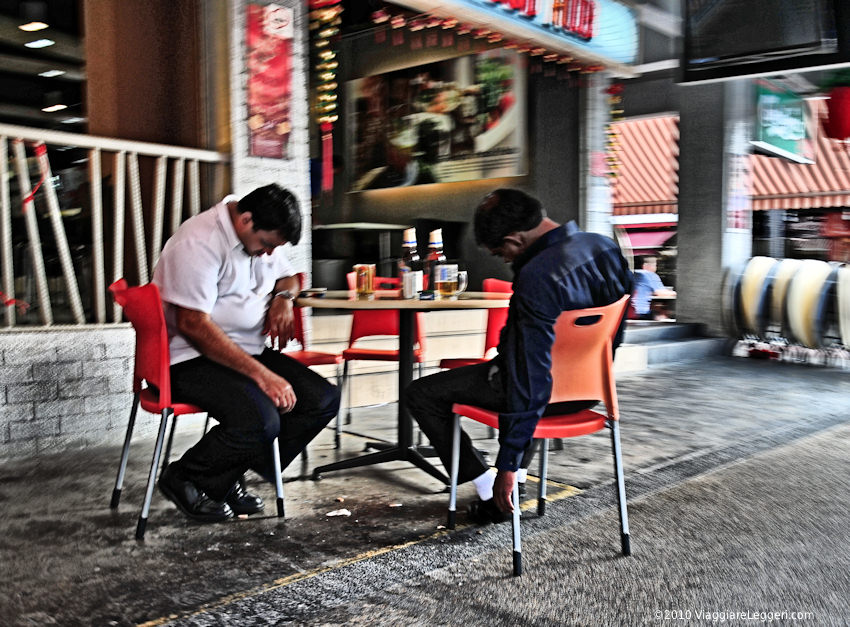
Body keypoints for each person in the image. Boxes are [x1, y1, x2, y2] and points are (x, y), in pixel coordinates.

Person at [405, 189, 632, 523]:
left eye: (502, 253)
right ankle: (519, 479)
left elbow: (529, 379)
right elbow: (617, 329)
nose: (506, 260)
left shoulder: (537, 275)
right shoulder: (604, 247)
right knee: (533, 378)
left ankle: (489, 489)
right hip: (590, 392)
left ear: (515, 237)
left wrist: (506, 465)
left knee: (421, 393)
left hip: (538, 394)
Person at [152, 183, 340, 523]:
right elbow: (193, 324)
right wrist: (262, 375)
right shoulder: (199, 241)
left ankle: (226, 475)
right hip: (190, 357)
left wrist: (283, 299)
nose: (269, 253)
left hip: (247, 349)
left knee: (321, 398)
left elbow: (288, 277)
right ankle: (185, 476)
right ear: (246, 220)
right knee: (260, 419)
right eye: (267, 244)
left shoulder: (260, 238)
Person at [632, 255, 676, 320]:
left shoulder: (632, 274)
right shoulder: (649, 274)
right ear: (646, 266)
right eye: (655, 265)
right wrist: (677, 293)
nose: (656, 268)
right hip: (641, 312)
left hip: (628, 311)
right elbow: (661, 293)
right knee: (664, 317)